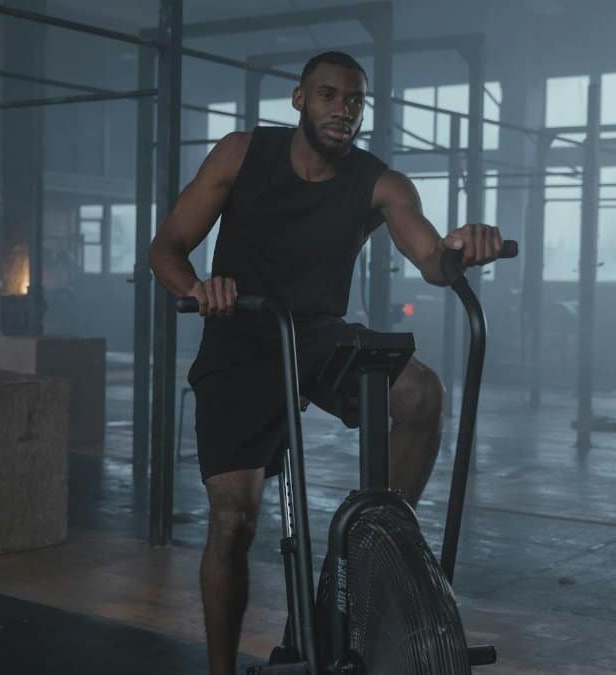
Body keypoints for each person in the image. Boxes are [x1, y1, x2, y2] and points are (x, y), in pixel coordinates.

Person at [148, 50, 504, 675]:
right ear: (300, 100)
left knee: (422, 395)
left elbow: (429, 255)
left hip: (314, 335)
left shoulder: (379, 181)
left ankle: (365, 553)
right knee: (233, 520)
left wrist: (460, 249)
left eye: (355, 101)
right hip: (240, 334)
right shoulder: (240, 154)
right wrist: (196, 289)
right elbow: (167, 247)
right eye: (329, 96)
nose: (343, 110)